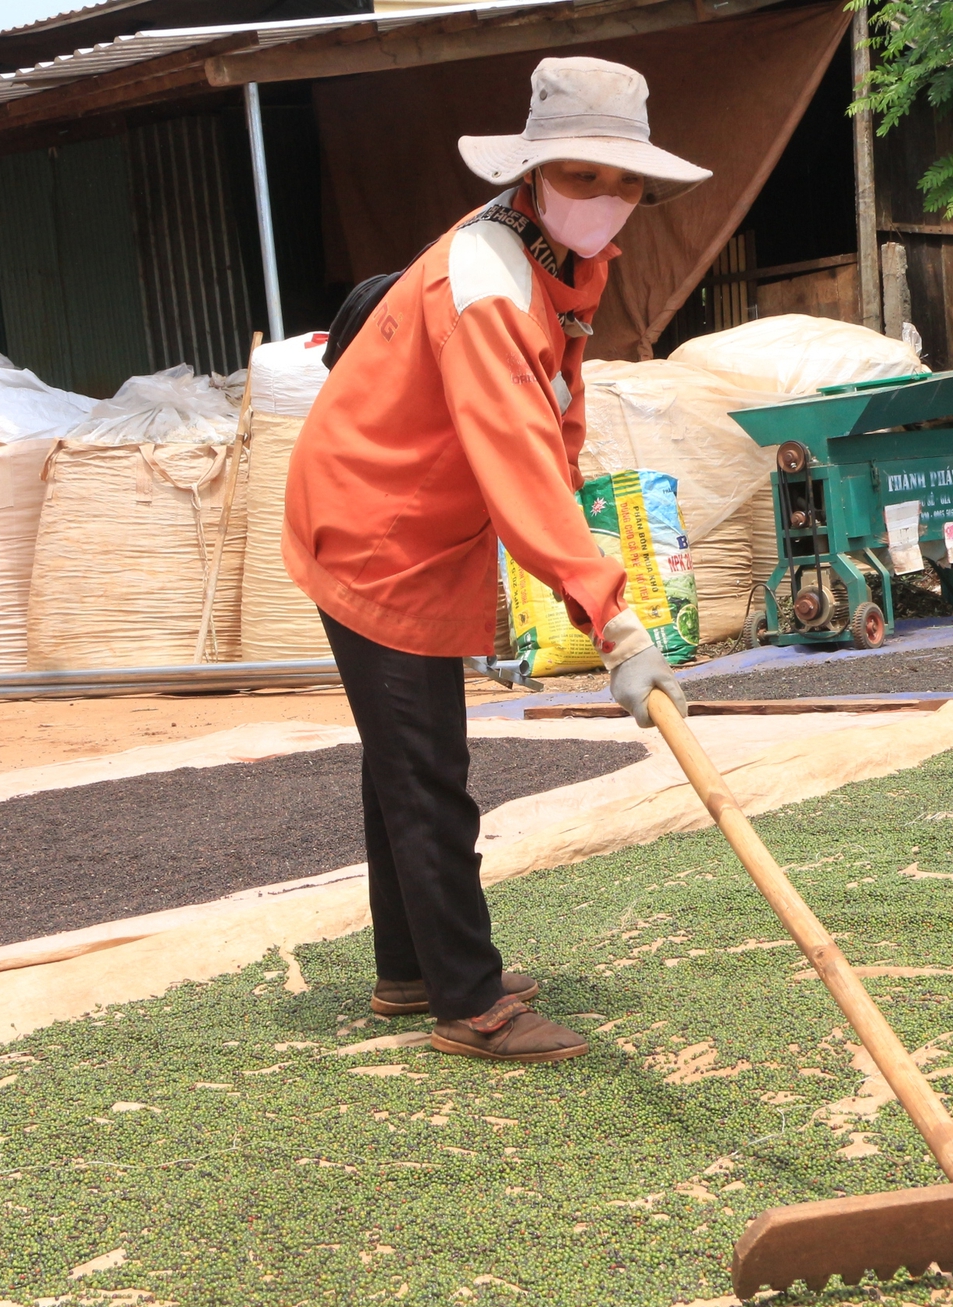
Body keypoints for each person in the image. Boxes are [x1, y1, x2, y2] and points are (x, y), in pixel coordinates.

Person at [283, 56, 708, 1064]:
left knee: (406, 758)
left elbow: (552, 429)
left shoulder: (561, 264)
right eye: (581, 175)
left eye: (621, 182)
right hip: (373, 523)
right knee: (426, 765)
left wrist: (577, 595)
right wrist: (616, 625)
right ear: (534, 174)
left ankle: (408, 968)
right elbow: (514, 457)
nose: (603, 199)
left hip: (423, 520)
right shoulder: (483, 278)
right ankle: (468, 1004)